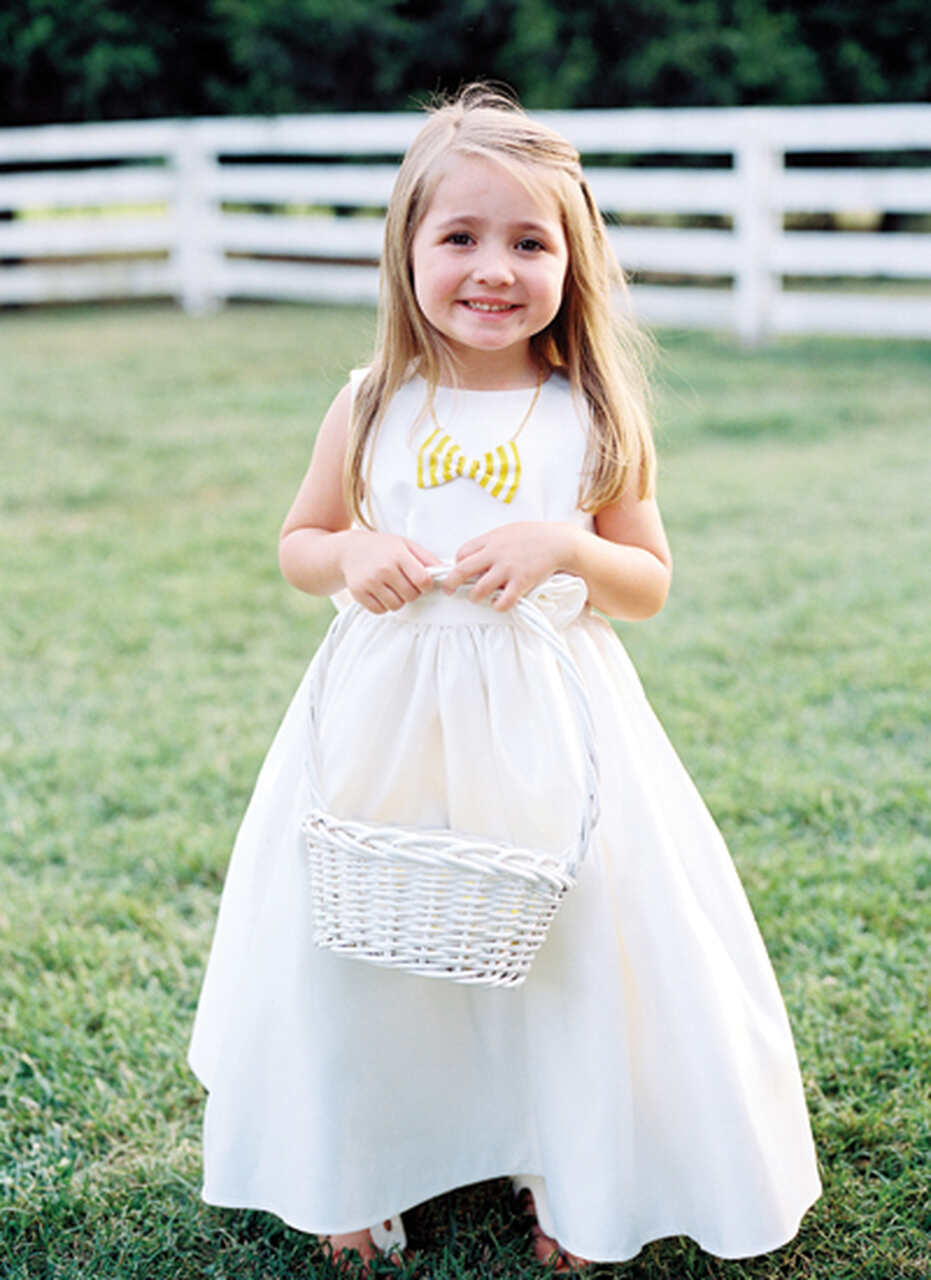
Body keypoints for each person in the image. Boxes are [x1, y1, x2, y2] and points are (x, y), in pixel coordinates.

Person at [188, 83, 821, 1274]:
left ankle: (572, 1163)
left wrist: (571, 546)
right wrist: (352, 551)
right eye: (461, 237)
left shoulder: (585, 410)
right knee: (360, 939)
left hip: (549, 729)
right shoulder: (371, 401)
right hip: (386, 723)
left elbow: (645, 580)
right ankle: (355, 1159)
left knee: (565, 937)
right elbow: (299, 542)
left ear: (572, 261)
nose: (495, 267)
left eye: (530, 241)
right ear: (407, 250)